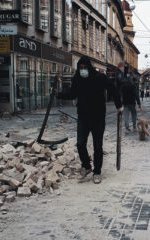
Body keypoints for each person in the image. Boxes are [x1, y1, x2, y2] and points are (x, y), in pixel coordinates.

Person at [57, 56, 123, 184]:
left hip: (98, 117)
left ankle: (97, 172)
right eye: (80, 68)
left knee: (98, 146)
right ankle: (86, 166)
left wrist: (119, 105)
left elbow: (113, 89)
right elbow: (72, 94)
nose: (82, 70)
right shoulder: (77, 79)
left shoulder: (100, 77)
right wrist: (58, 94)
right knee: (81, 143)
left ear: (89, 67)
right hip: (83, 116)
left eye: (84, 67)